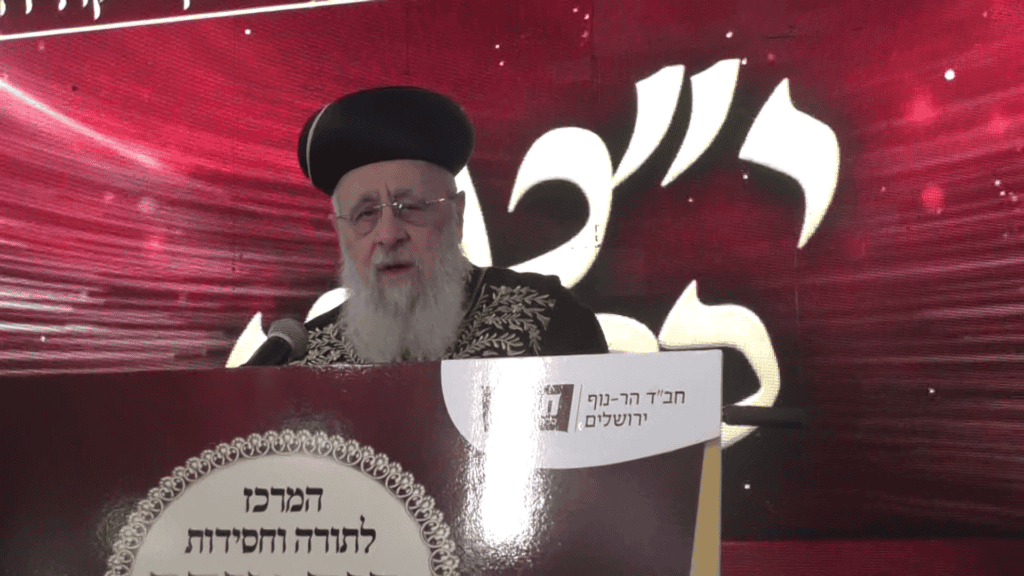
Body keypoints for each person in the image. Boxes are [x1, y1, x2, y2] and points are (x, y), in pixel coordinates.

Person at [291, 86, 607, 366]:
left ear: (457, 215)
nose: (388, 235)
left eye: (411, 207)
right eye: (365, 214)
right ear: (342, 233)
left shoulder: (547, 319)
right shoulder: (306, 354)